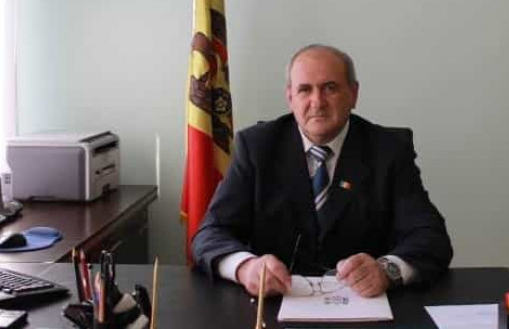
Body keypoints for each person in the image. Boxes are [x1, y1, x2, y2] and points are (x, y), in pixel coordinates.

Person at [191, 44, 452, 298]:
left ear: (354, 94)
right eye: (305, 89)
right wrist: (246, 268)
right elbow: (211, 234)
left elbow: (431, 238)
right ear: (290, 97)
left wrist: (387, 270)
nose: (317, 102)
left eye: (330, 88)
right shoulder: (257, 147)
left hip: (365, 304)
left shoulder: (389, 150)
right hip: (276, 303)